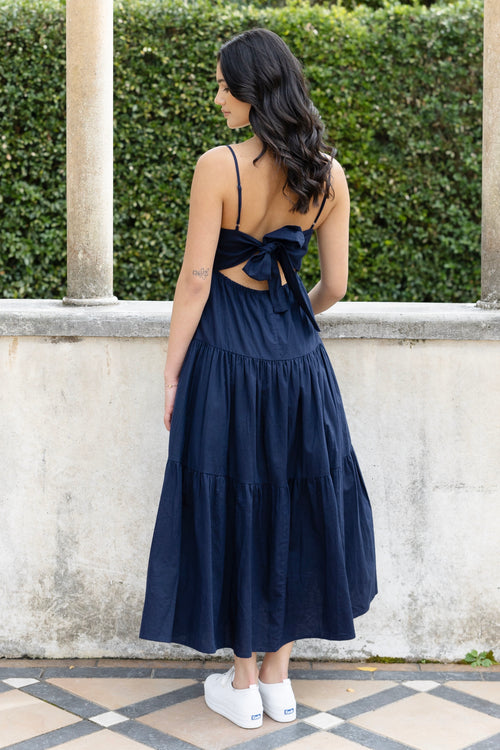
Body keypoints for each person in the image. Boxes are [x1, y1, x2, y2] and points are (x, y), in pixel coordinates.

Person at [140, 28, 377, 730]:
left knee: (232, 498)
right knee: (299, 501)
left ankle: (241, 680)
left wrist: (173, 373)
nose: (217, 99)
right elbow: (333, 286)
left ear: (252, 91)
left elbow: (192, 280)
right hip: (299, 362)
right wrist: (287, 315)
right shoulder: (327, 174)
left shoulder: (218, 167)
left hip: (224, 356)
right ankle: (279, 677)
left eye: (222, 85)